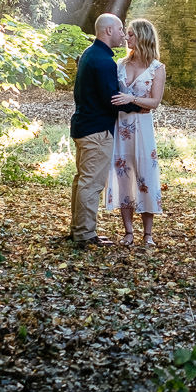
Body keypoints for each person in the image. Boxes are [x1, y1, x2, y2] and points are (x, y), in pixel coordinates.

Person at [69, 13, 143, 248]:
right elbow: (111, 99)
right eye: (120, 29)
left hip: (83, 126)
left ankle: (79, 230)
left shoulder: (89, 54)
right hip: (97, 131)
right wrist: (138, 105)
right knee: (91, 184)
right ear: (108, 30)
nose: (123, 34)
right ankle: (84, 234)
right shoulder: (103, 61)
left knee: (82, 181)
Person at [105, 18, 166, 247]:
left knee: (145, 177)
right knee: (124, 177)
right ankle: (128, 232)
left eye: (131, 34)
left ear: (142, 37)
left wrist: (131, 98)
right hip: (121, 126)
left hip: (142, 129)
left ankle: (148, 234)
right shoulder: (119, 64)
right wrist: (132, 102)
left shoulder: (157, 68)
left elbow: (154, 102)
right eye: (126, 33)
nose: (126, 38)